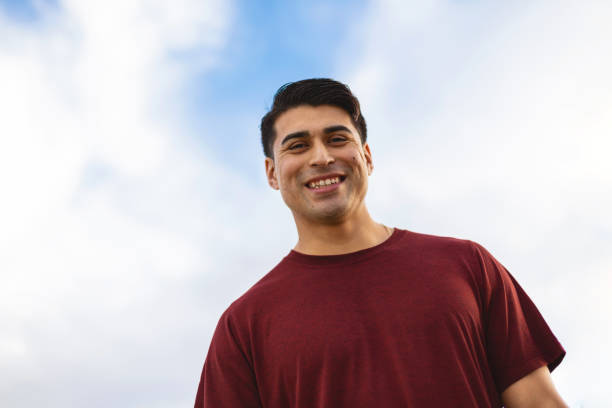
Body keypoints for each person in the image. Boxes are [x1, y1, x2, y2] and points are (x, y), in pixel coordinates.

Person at [194, 78, 567, 407]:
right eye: (298, 146)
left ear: (367, 157)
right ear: (273, 173)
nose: (322, 157)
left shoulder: (466, 264)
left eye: (337, 139)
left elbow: (540, 404)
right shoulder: (244, 325)